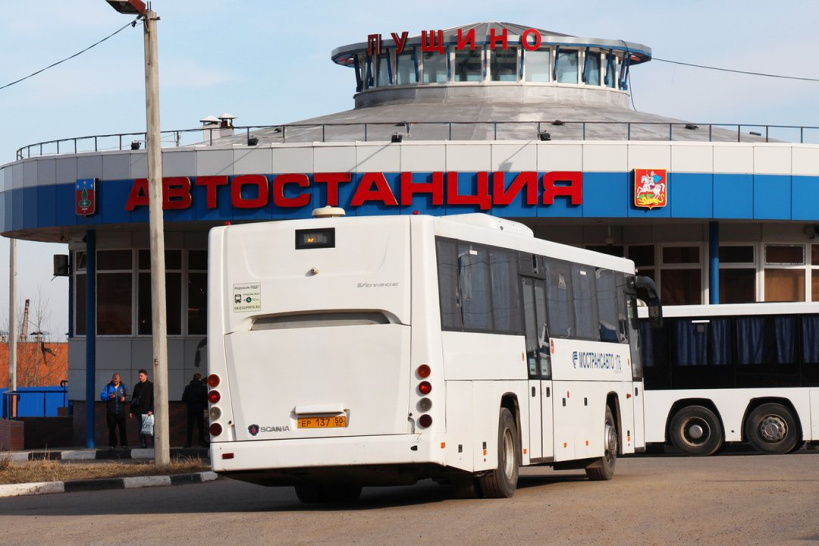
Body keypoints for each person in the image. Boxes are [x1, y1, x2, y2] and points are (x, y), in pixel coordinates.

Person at [100, 373, 128, 450]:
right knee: (111, 429)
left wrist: (124, 399)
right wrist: (109, 396)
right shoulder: (108, 386)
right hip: (111, 412)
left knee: (122, 429)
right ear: (112, 379)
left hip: (121, 411)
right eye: (114, 380)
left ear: (120, 380)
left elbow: (128, 396)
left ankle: (124, 444)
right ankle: (112, 444)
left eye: (117, 380)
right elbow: (102, 396)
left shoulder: (123, 386)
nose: (116, 382)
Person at [129, 369, 155, 449]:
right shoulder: (137, 386)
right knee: (141, 428)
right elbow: (134, 399)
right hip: (139, 410)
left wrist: (151, 409)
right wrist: (131, 410)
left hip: (148, 411)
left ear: (146, 376)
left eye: (141, 376)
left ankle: (154, 444)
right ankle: (143, 444)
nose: (139, 377)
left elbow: (153, 398)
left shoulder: (151, 385)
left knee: (151, 428)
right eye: (139, 375)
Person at [182, 372, 208, 448]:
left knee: (190, 426)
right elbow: (206, 399)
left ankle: (189, 442)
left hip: (191, 408)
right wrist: (204, 406)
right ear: (200, 378)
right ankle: (201, 441)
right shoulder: (203, 388)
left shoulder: (188, 387)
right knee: (201, 426)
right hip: (200, 408)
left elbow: (184, 398)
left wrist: (189, 403)